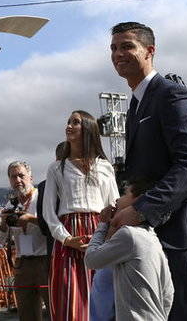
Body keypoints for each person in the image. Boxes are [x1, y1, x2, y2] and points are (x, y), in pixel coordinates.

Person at [109, 22, 187, 321]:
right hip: (155, 234)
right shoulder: (134, 106)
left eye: (127, 46)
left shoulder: (172, 96)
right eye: (114, 48)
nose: (118, 53)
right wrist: (128, 199)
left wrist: (141, 209)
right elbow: (149, 169)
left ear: (150, 51)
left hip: (184, 235)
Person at [43, 111, 119, 321]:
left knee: (102, 297)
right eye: (68, 121)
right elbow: (48, 211)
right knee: (70, 300)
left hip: (99, 233)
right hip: (68, 236)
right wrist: (66, 239)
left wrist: (108, 234)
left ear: (87, 128)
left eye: (75, 122)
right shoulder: (57, 168)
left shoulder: (104, 166)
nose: (69, 125)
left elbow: (114, 203)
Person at [85, 178, 174, 321]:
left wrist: (102, 224)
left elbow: (91, 259)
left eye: (125, 194)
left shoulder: (129, 235)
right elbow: (168, 293)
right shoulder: (152, 236)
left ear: (137, 201)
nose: (117, 199)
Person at [0, 161, 50, 321]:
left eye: (21, 175)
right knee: (26, 314)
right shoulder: (11, 204)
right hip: (22, 264)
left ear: (31, 177)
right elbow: (1, 239)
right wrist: (3, 223)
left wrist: (31, 219)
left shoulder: (42, 197)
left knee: (55, 309)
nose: (18, 180)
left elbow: (53, 226)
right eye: (13, 177)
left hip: (45, 261)